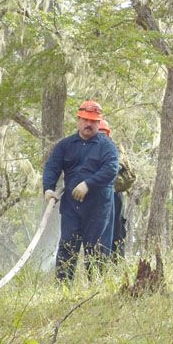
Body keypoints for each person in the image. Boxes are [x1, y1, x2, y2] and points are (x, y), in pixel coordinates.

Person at [43, 100, 119, 281]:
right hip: (71, 207)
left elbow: (111, 169)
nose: (88, 124)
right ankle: (63, 287)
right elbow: (52, 167)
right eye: (85, 120)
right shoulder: (65, 145)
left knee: (96, 249)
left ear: (99, 123)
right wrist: (48, 188)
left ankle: (96, 288)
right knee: (67, 246)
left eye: (93, 121)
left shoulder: (107, 146)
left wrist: (88, 184)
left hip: (98, 207)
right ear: (78, 120)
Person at [98, 119, 135, 260]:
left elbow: (117, 167)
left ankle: (117, 262)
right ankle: (99, 263)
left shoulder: (114, 148)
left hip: (114, 193)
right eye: (99, 133)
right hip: (96, 195)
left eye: (103, 133)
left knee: (117, 230)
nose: (101, 136)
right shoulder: (88, 147)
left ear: (108, 134)